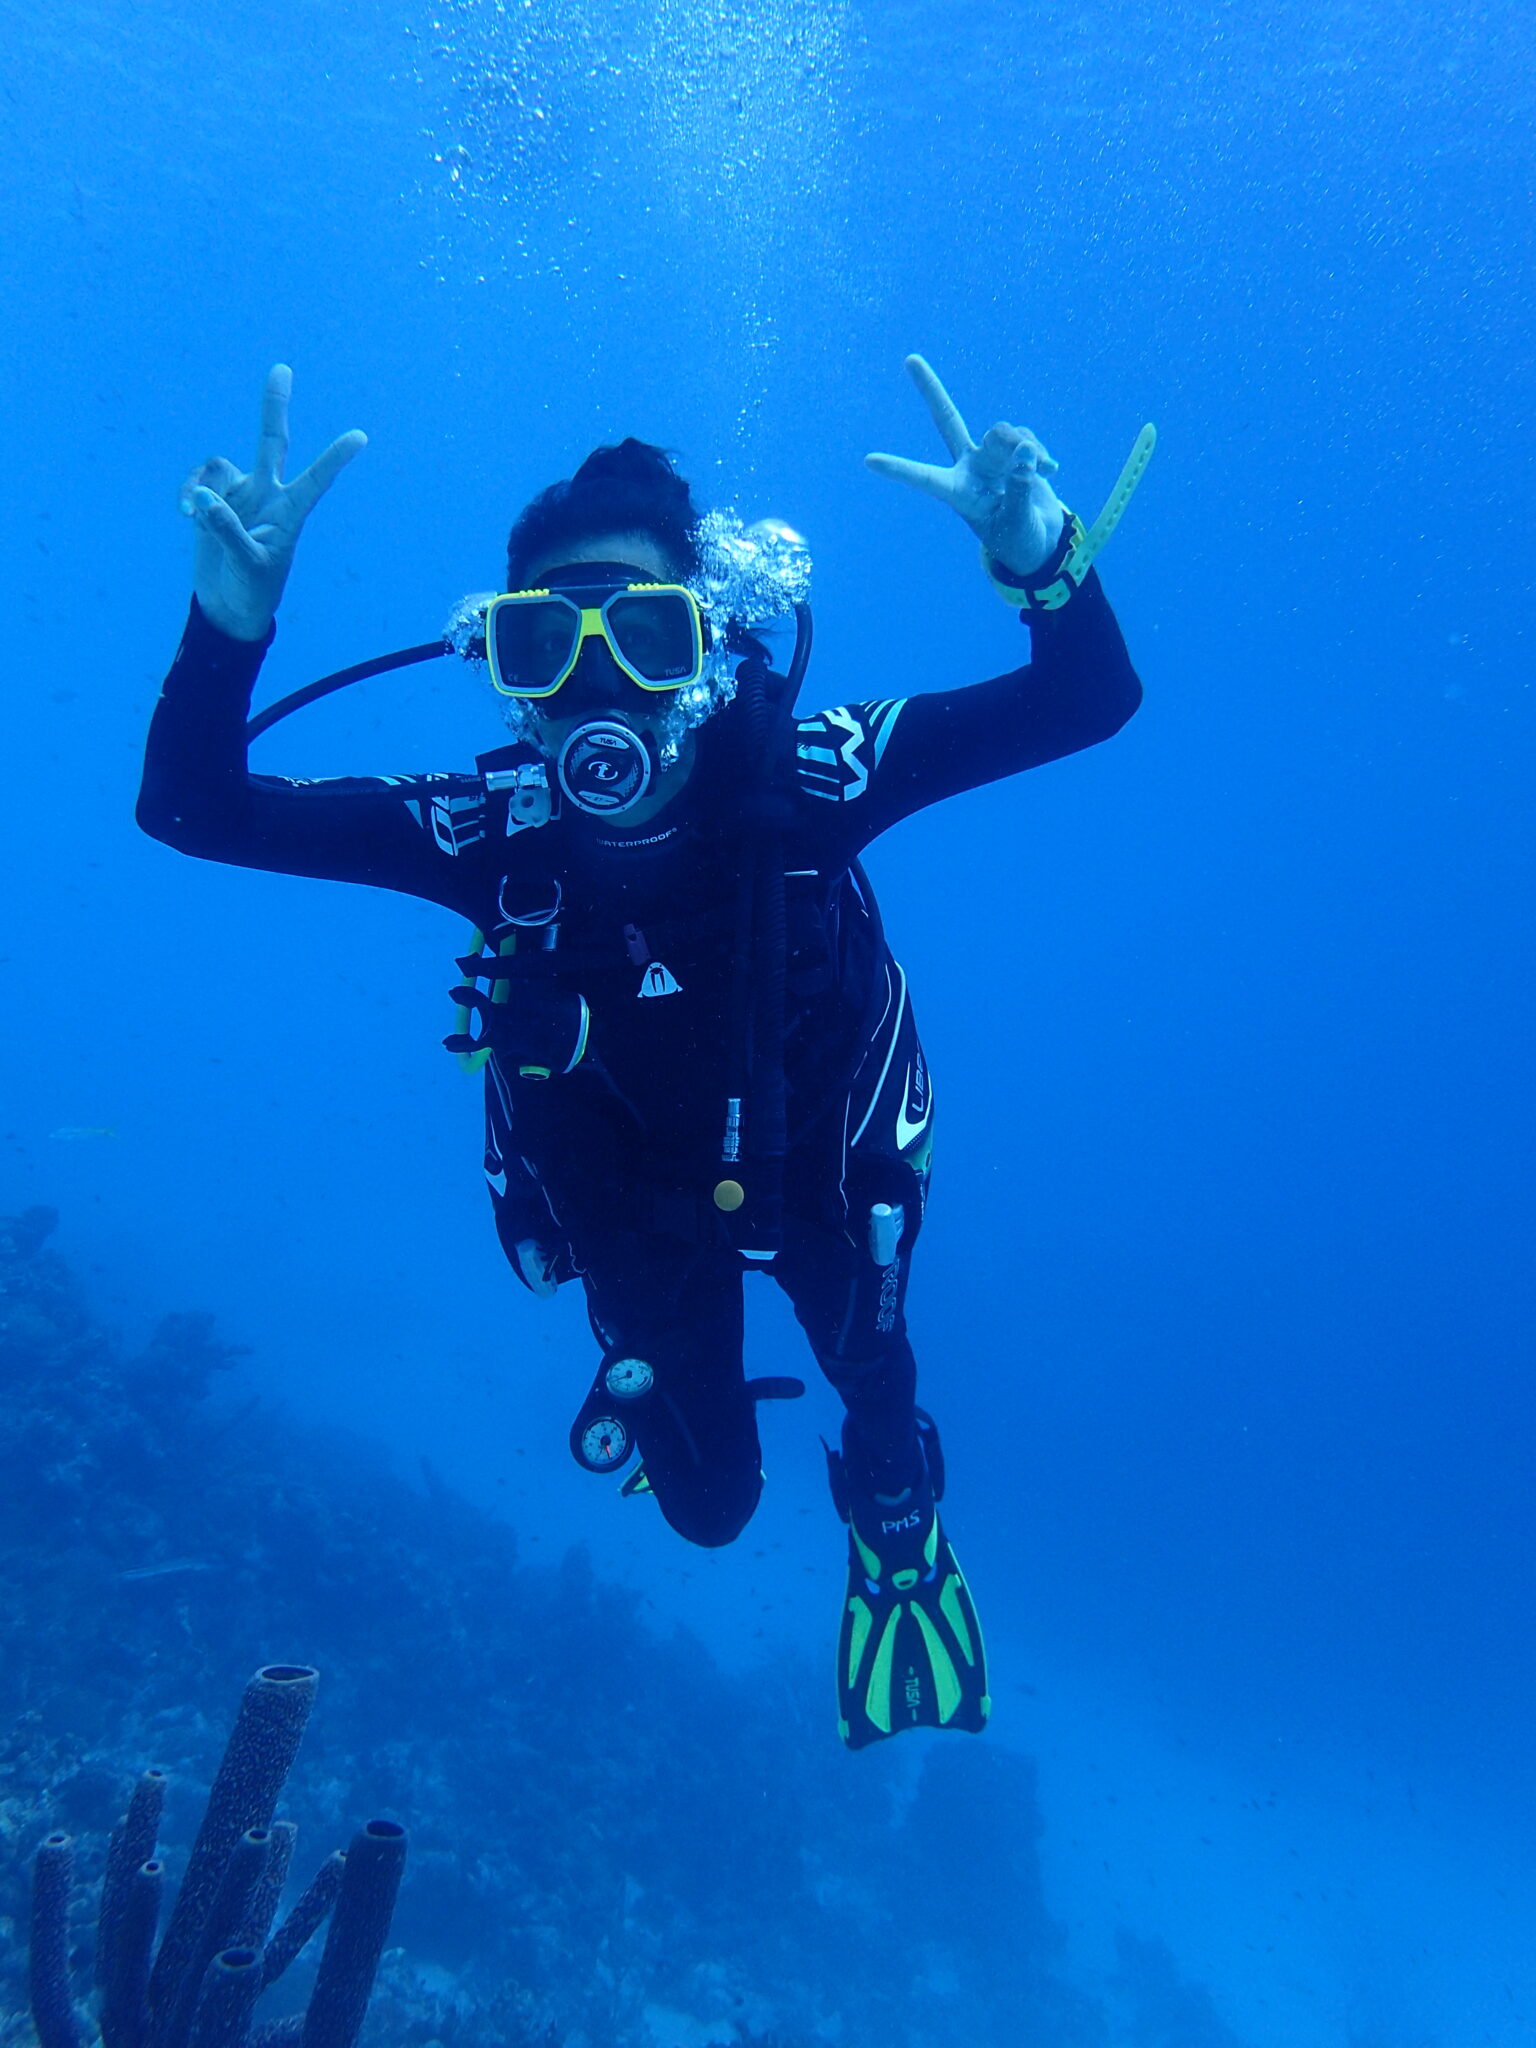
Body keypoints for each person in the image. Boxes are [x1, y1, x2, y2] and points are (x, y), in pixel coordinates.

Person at [138, 358, 1148, 1748]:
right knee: (713, 1513)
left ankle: (897, 1517)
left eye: (647, 639)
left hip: (827, 1172)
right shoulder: (490, 830)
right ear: (502, 669)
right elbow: (191, 808)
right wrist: (229, 622)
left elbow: (1088, 696)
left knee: (873, 1362)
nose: (596, 687)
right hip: (628, 1199)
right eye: (546, 647)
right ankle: (656, 1369)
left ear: (714, 643)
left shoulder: (814, 776)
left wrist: (1039, 562)